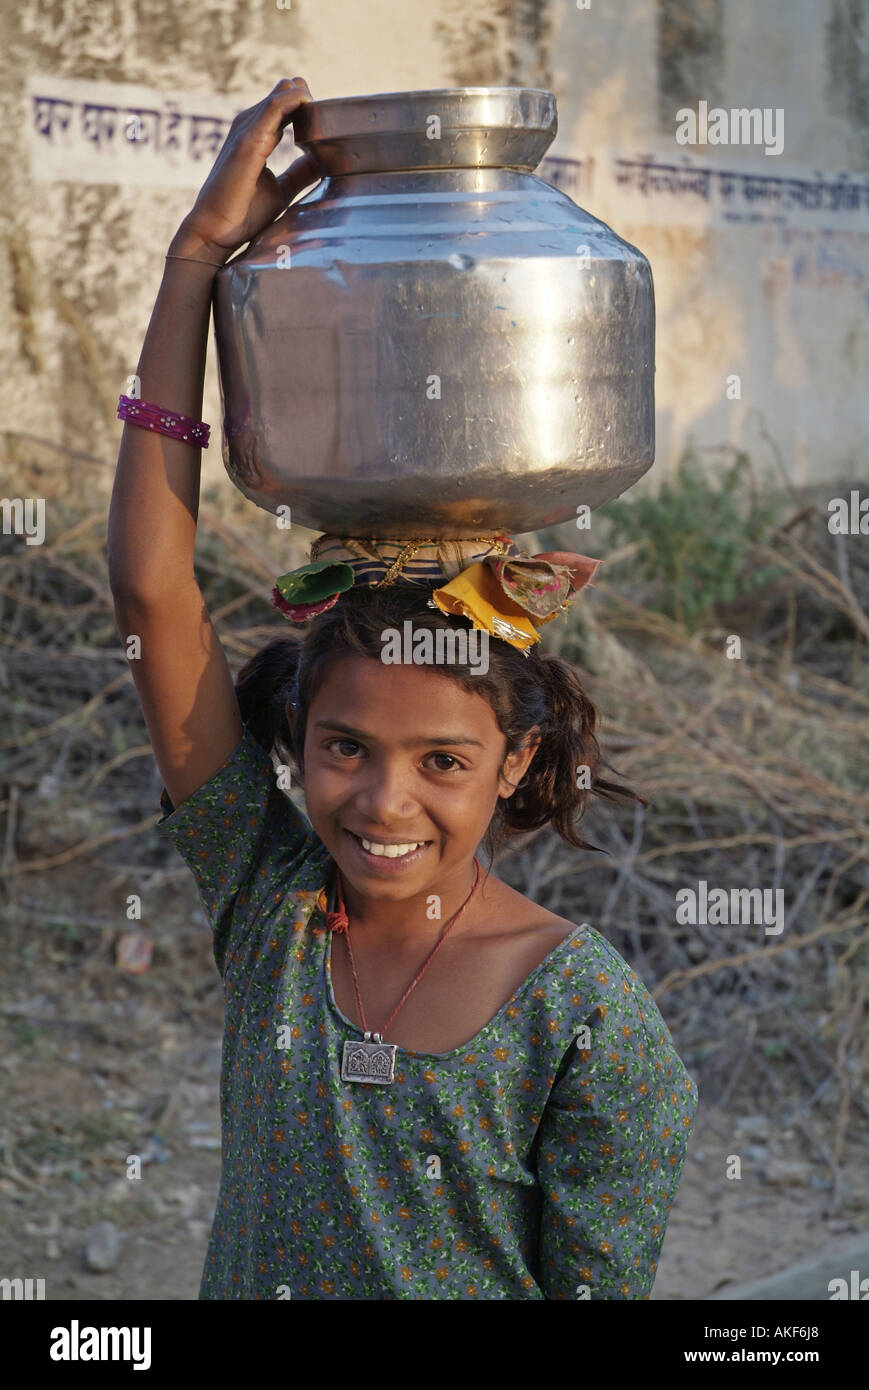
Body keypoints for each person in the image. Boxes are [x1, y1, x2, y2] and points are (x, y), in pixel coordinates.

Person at [107, 77, 699, 1301]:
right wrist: (196, 262)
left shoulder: (585, 1022)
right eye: (343, 749)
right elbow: (152, 594)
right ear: (293, 743)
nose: (382, 805)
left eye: (442, 762)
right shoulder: (270, 907)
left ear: (516, 761)